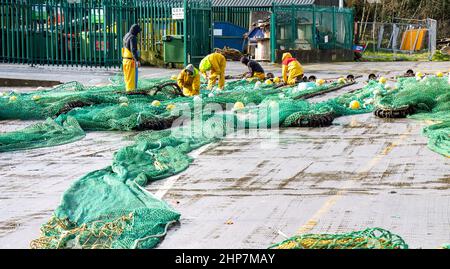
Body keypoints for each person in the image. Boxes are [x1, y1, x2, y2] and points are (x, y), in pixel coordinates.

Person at [122, 24, 141, 92]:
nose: (138, 34)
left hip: (125, 60)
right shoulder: (132, 37)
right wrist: (137, 60)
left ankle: (128, 90)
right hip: (130, 61)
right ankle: (131, 93)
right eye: (138, 32)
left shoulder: (126, 35)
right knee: (132, 79)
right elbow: (133, 50)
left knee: (127, 78)